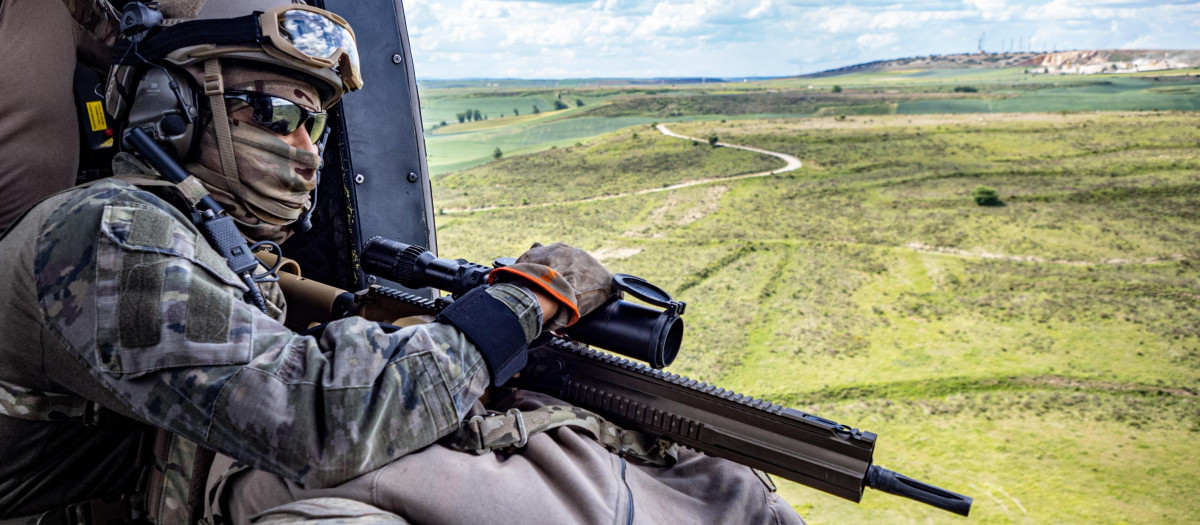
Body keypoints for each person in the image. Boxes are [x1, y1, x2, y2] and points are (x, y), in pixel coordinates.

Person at [0, 1, 803, 523]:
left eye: (316, 128)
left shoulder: (217, 244)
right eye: (277, 115)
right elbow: (315, 419)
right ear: (171, 110)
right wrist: (519, 305)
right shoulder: (105, 231)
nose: (306, 154)